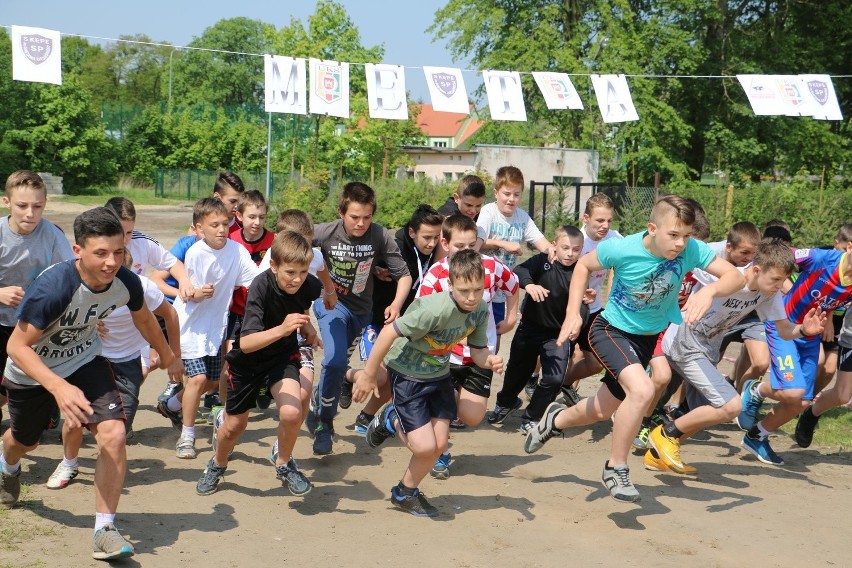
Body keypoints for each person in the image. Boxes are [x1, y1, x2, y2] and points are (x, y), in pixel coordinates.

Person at [524, 195, 743, 503]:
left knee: (601, 410)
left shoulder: (691, 250)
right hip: (610, 330)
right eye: (673, 235)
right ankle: (616, 467)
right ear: (652, 228)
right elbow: (584, 267)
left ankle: (553, 422)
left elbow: (735, 275)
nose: (681, 244)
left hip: (645, 338)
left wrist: (711, 291)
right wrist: (574, 312)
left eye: (686, 236)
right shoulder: (622, 248)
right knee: (641, 390)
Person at [0, 207, 183, 560]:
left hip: (84, 360)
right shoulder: (54, 287)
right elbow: (16, 347)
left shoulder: (124, 281)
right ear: (78, 251)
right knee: (26, 441)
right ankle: (7, 465)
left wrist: (168, 354)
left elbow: (145, 319)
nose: (111, 261)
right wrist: (58, 386)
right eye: (100, 253)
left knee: (113, 433)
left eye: (117, 251)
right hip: (33, 371)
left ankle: (105, 529)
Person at [649, 240, 824, 474]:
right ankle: (665, 433)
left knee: (705, 412)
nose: (780, 286)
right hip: (685, 343)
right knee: (731, 405)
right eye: (775, 280)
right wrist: (705, 292)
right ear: (756, 269)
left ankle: (656, 456)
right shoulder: (732, 276)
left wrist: (803, 330)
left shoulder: (766, 294)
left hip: (706, 350)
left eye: (783, 280)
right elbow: (699, 266)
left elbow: (783, 330)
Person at [351, 249, 503, 517]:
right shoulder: (433, 310)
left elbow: (477, 351)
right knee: (424, 447)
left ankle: (404, 493)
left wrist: (489, 361)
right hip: (407, 374)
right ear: (450, 284)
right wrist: (369, 373)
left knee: (439, 446)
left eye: (477, 290)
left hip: (439, 377)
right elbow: (388, 333)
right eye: (464, 290)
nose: (471, 297)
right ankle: (391, 417)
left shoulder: (479, 309)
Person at [196, 231, 320, 497]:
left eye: (302, 271)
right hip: (248, 364)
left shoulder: (309, 285)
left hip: (281, 357)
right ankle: (217, 464)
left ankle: (284, 464)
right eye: (289, 272)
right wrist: (284, 327)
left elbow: (301, 306)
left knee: (291, 412)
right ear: (273, 266)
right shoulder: (259, 288)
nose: (296, 279)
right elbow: (247, 342)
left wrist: (307, 325)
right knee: (234, 427)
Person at [45, 248, 181, 489]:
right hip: (89, 358)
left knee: (118, 428)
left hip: (128, 361)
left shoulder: (142, 287)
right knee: (75, 420)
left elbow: (170, 315)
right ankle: (69, 462)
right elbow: (57, 321)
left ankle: (106, 476)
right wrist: (86, 323)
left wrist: (174, 356)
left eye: (118, 271)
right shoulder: (85, 287)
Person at [415, 215, 519, 479]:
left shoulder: (491, 267)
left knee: (472, 417)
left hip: (480, 354)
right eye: (460, 246)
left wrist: (511, 317)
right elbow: (419, 317)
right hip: (443, 357)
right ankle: (441, 452)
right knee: (444, 408)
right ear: (445, 244)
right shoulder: (436, 277)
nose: (467, 252)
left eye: (472, 246)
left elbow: (513, 284)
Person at [310, 182, 411, 455]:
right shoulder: (324, 232)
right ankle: (325, 423)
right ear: (341, 211)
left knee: (337, 364)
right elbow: (288, 244)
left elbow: (404, 274)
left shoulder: (379, 235)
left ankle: (319, 399)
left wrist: (396, 304)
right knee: (333, 360)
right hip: (331, 305)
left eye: (367, 217)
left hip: (361, 313)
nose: (361, 223)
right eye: (354, 216)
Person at [159, 198, 261, 459]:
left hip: (216, 328)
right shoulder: (196, 252)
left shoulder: (237, 252)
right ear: (199, 228)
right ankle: (187, 437)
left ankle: (171, 404)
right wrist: (196, 292)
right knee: (199, 380)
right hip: (191, 326)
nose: (221, 229)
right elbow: (189, 290)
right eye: (213, 225)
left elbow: (256, 280)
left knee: (215, 381)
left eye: (225, 223)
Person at [738, 240, 852, 464]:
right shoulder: (821, 258)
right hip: (784, 326)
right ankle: (757, 389)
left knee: (800, 402)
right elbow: (780, 257)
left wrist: (828, 317)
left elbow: (830, 300)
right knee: (793, 393)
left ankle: (757, 436)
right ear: (849, 247)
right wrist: (769, 285)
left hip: (809, 335)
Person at [345, 204, 444, 433]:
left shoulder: (436, 251)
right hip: (376, 320)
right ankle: (346, 375)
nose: (431, 243)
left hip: (404, 326)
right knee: (379, 376)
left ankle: (365, 417)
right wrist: (375, 270)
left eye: (436, 237)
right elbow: (361, 265)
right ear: (412, 232)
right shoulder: (394, 246)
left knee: (394, 377)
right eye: (426, 237)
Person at [488, 225, 588, 433]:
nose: (570, 253)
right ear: (554, 246)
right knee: (516, 373)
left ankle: (532, 417)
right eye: (565, 247)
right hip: (529, 330)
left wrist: (582, 313)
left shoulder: (581, 270)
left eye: (576, 249)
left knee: (554, 379)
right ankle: (506, 403)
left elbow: (582, 305)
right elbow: (519, 271)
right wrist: (529, 285)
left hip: (557, 336)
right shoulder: (543, 261)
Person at [0, 171, 75, 417]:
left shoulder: (52, 235)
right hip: (1, 321)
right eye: (22, 206)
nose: (30, 213)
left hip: (36, 324)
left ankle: (44, 410)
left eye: (37, 206)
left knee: (31, 386)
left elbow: (71, 277)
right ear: (7, 201)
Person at [476, 166, 550, 338]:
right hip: (482, 288)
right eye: (507, 194)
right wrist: (503, 244)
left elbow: (543, 244)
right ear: (496, 193)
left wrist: (557, 250)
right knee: (478, 336)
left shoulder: (522, 217)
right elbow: (476, 245)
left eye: (516, 195)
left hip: (502, 290)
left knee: (496, 335)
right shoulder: (488, 212)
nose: (511, 199)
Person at [562, 193, 622, 403]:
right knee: (561, 357)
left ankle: (563, 383)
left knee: (596, 363)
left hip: (594, 308)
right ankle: (540, 385)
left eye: (609, 220)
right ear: (586, 218)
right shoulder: (575, 242)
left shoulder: (615, 239)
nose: (605, 225)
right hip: (567, 308)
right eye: (600, 220)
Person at [226, 190, 275, 410]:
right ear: (239, 216)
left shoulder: (275, 241)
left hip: (265, 310)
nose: (257, 222)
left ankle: (264, 382)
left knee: (263, 349)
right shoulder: (230, 241)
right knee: (233, 353)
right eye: (251, 217)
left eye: (261, 217)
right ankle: (228, 394)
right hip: (237, 309)